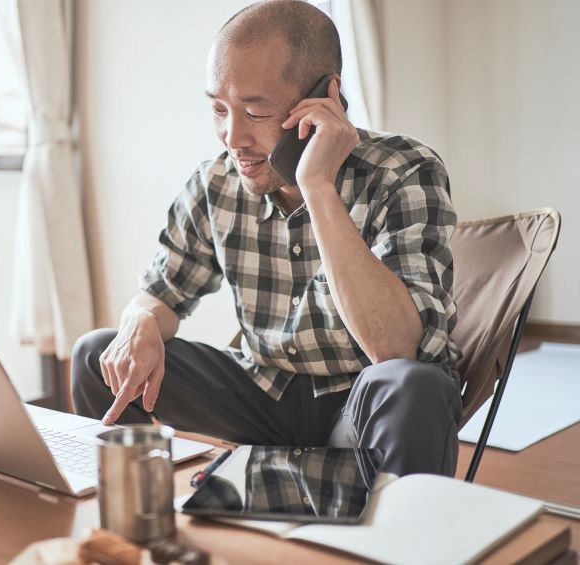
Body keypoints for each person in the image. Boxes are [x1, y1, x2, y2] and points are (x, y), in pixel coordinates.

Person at [71, 0, 462, 477]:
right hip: (263, 393)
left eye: (255, 112)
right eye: (218, 109)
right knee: (98, 354)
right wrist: (140, 322)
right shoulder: (215, 183)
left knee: (416, 387)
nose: (231, 136)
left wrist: (316, 184)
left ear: (326, 96)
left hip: (361, 402)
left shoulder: (404, 171)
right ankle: (141, 519)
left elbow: (395, 348)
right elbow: (159, 293)